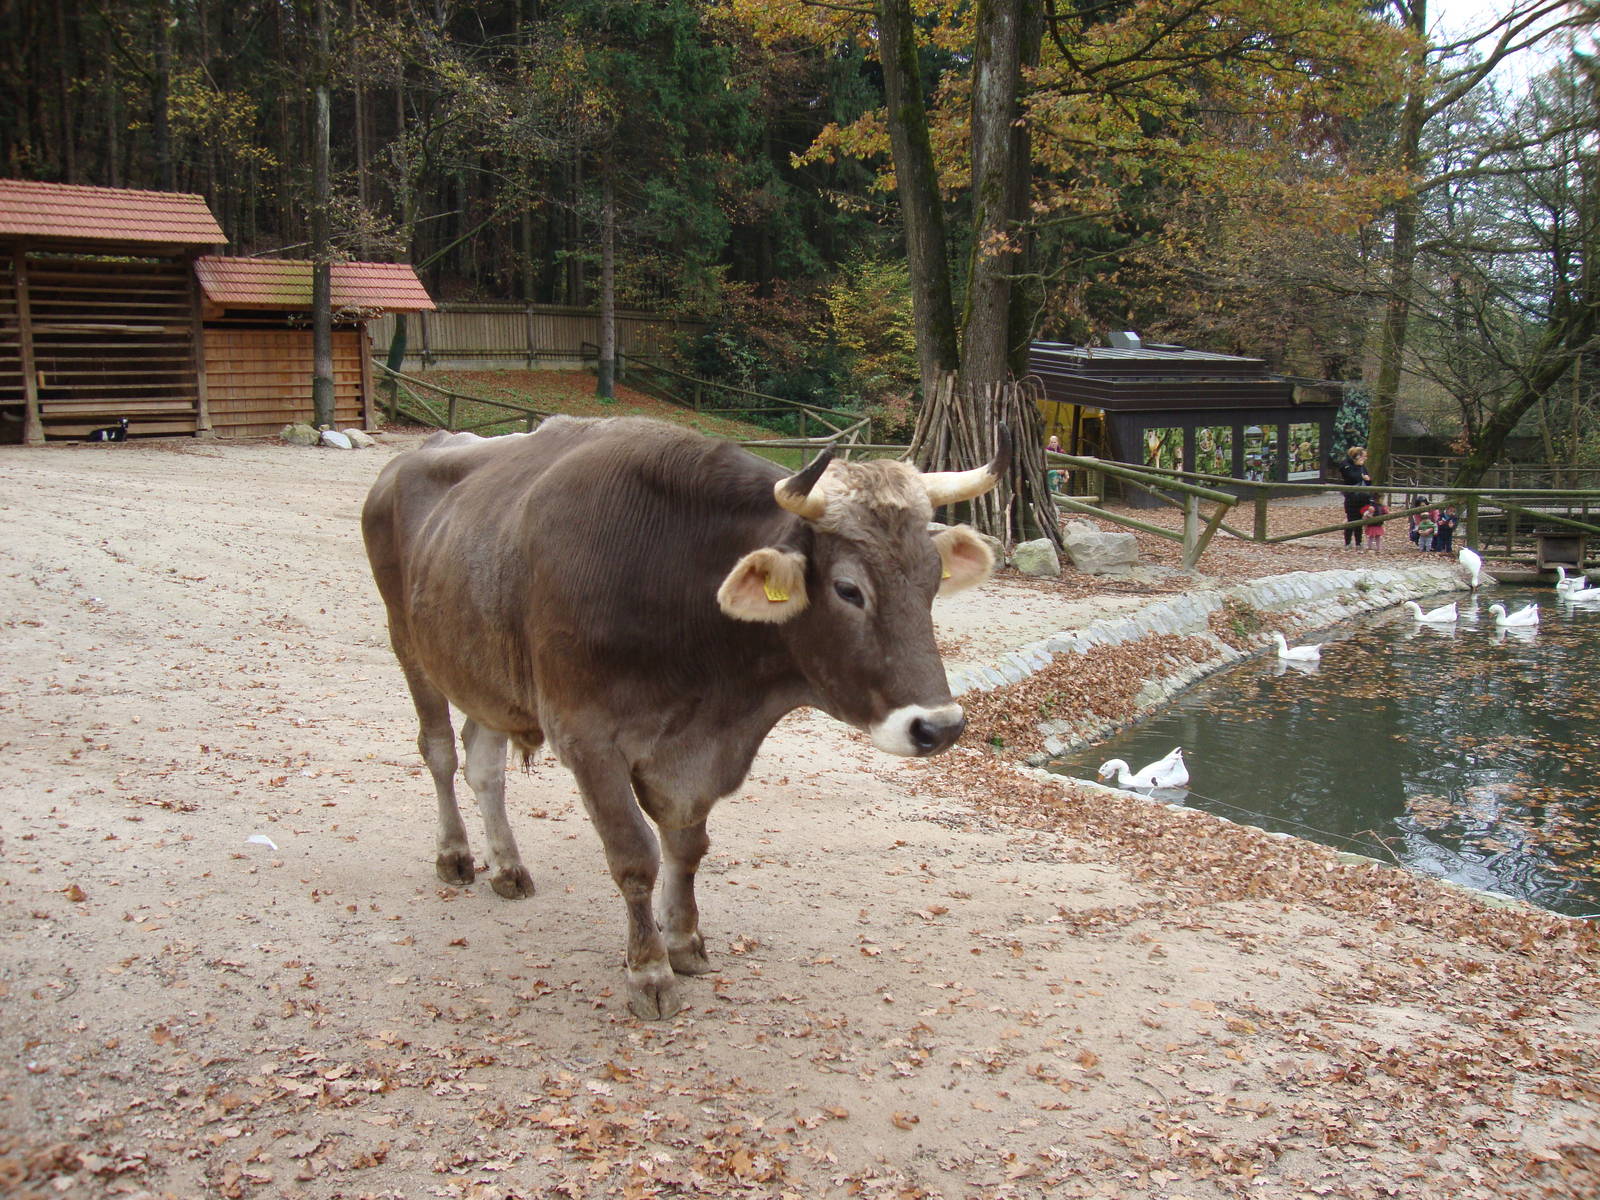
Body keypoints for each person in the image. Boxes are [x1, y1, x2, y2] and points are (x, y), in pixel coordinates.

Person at [1338, 446, 1372, 548]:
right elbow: (1351, 477)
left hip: (1363, 497)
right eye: (1363, 456)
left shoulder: (1362, 466)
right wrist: (1359, 471)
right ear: (1357, 456)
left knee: (1359, 521)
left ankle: (1359, 542)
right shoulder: (1346, 465)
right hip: (1351, 496)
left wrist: (1367, 479)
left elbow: (1368, 479)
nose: (1365, 459)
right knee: (1351, 519)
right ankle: (1348, 542)